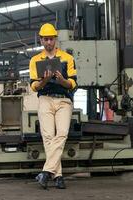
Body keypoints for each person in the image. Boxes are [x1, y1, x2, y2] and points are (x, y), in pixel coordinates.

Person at [29, 23, 77, 189]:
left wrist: (62, 80)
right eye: (45, 39)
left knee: (62, 134)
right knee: (48, 137)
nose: (49, 42)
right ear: (41, 40)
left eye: (51, 39)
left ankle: (45, 172)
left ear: (55, 39)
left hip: (64, 100)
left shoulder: (67, 58)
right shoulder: (35, 60)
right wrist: (45, 80)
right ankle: (58, 176)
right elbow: (33, 86)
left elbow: (73, 84)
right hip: (45, 100)